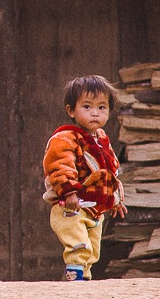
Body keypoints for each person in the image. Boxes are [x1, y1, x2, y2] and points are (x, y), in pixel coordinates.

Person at [43, 75, 124, 281]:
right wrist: (69, 192)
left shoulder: (102, 140)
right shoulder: (65, 138)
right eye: (87, 107)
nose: (95, 113)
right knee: (79, 244)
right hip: (71, 206)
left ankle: (82, 282)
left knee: (93, 250)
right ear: (71, 110)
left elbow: (110, 170)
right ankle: (75, 276)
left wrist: (114, 198)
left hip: (94, 208)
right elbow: (59, 166)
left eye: (102, 107)